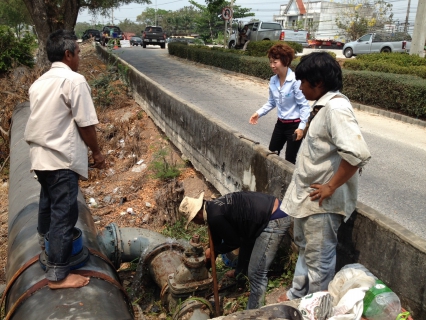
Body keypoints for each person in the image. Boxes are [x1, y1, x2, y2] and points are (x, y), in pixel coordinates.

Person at [276, 52, 371, 302]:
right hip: (309, 198)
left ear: (318, 83)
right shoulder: (321, 106)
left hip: (323, 203)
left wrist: (330, 187)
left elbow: (357, 153)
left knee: (319, 264)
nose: (300, 86)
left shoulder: (336, 109)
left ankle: (316, 308)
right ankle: (297, 296)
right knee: (306, 251)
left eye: (303, 81)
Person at [24, 29, 106, 290]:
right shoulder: (74, 81)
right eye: (79, 53)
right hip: (61, 159)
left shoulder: (38, 83)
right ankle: (58, 275)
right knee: (64, 214)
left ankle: (45, 250)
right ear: (68, 54)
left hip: (41, 158)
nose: (80, 58)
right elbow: (86, 124)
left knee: (47, 204)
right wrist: (97, 152)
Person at [179, 191, 291, 309]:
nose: (196, 224)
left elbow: (233, 242)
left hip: (274, 219)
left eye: (193, 221)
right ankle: (240, 275)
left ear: (198, 215)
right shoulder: (212, 207)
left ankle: (253, 313)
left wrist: (214, 250)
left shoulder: (215, 216)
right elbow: (218, 237)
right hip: (266, 214)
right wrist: (211, 252)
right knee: (245, 240)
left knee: (256, 274)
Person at [249, 43, 310, 164]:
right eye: (270, 62)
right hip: (280, 124)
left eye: (275, 62)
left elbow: (304, 105)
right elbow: (272, 102)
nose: (272, 65)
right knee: (271, 152)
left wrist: (301, 128)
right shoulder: (273, 80)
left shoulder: (295, 81)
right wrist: (258, 113)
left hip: (294, 126)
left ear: (285, 61)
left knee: (289, 159)